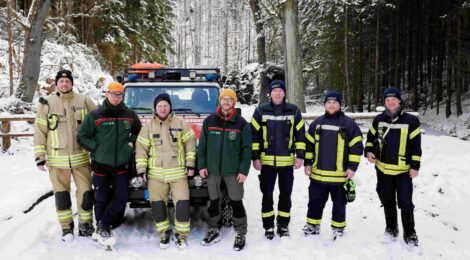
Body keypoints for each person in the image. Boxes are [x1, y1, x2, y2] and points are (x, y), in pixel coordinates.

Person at [33, 69, 97, 242]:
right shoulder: (46, 102)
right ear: (56, 84)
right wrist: (39, 156)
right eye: (61, 81)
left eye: (67, 81)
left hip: (81, 159)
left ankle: (86, 225)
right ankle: (66, 228)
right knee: (61, 196)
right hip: (57, 161)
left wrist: (98, 149)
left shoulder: (84, 100)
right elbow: (39, 131)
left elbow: (99, 123)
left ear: (72, 83)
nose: (64, 84)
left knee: (86, 194)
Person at [77, 82, 142, 247]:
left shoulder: (130, 114)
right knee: (101, 198)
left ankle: (102, 225)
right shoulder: (96, 115)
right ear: (107, 94)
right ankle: (103, 228)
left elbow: (138, 132)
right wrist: (95, 148)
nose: (116, 97)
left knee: (121, 198)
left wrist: (130, 145)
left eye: (119, 94)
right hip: (100, 164)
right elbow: (82, 136)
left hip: (121, 165)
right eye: (113, 94)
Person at [135, 93, 196, 250]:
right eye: (160, 105)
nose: (163, 108)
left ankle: (181, 236)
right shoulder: (147, 128)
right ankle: (164, 233)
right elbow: (141, 150)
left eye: (166, 105)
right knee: (157, 206)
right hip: (156, 176)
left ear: (170, 107)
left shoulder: (182, 123)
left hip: (178, 174)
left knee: (182, 204)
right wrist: (141, 170)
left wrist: (190, 165)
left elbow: (190, 144)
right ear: (155, 108)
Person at [364, 87, 421, 247]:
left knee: (406, 203)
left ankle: (410, 233)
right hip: (382, 170)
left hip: (403, 171)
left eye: (394, 99)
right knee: (388, 201)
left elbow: (416, 146)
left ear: (399, 101)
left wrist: (415, 166)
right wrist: (368, 152)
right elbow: (370, 139)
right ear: (384, 102)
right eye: (387, 100)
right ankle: (391, 228)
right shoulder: (378, 120)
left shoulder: (411, 120)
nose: (391, 102)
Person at [303, 91, 364, 239]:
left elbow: (356, 147)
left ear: (340, 105)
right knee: (315, 202)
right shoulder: (317, 123)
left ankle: (338, 228)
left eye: (334, 102)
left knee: (339, 205)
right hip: (318, 175)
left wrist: (352, 167)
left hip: (340, 176)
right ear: (325, 105)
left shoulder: (349, 124)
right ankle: (312, 225)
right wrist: (308, 163)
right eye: (328, 102)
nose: (331, 105)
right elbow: (308, 146)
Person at [250, 80, 306, 239]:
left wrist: (300, 155)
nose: (277, 93)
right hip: (266, 162)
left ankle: (283, 225)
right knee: (267, 195)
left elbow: (300, 134)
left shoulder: (294, 110)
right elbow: (253, 135)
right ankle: (268, 226)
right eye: (274, 91)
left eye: (280, 90)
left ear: (284, 93)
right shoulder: (260, 111)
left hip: (287, 162)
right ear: (270, 93)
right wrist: (255, 157)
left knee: (285, 194)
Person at [198, 88, 251, 251]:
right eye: (224, 99)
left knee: (236, 202)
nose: (226, 102)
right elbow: (203, 147)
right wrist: (202, 166)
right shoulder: (209, 121)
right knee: (214, 202)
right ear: (219, 101)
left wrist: (243, 170)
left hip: (233, 172)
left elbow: (247, 149)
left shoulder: (241, 123)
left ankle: (241, 232)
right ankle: (214, 229)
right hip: (213, 171)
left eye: (230, 99)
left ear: (234, 102)